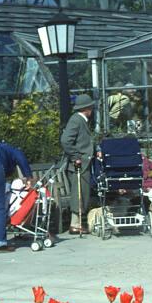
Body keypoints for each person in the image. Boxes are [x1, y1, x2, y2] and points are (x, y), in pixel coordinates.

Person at [61, 94, 96, 234]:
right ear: (87, 108)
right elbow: (65, 140)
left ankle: (78, 222)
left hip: (84, 162)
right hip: (78, 164)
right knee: (79, 193)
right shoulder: (76, 120)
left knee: (84, 192)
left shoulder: (82, 120)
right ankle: (75, 224)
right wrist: (76, 156)